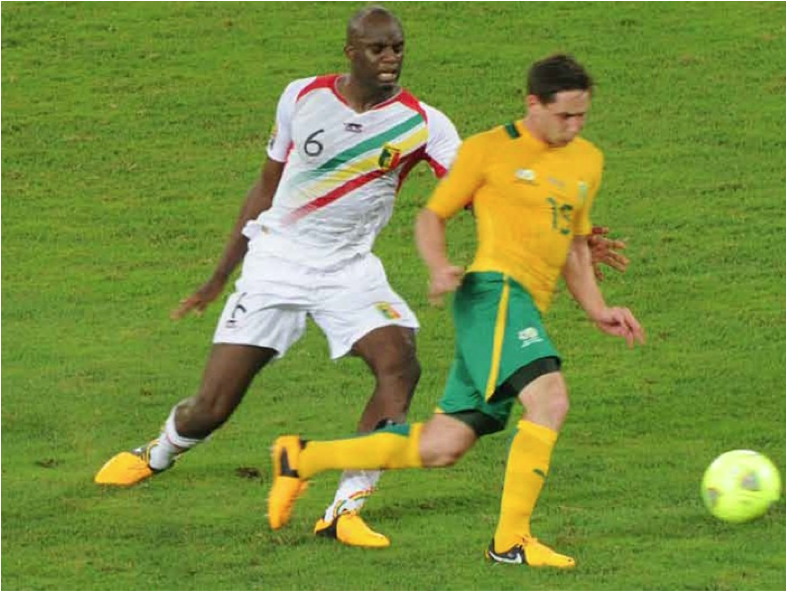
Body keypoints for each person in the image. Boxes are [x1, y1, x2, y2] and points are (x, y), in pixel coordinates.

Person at [95, 6, 627, 549]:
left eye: (397, 47)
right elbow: (265, 186)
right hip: (277, 262)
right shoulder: (301, 97)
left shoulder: (424, 123)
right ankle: (159, 453)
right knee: (213, 404)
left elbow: (481, 187)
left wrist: (564, 232)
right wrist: (217, 276)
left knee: (400, 363)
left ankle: (347, 507)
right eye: (378, 49)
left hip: (349, 268)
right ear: (351, 51)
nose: (391, 57)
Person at [265, 53, 645, 569]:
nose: (574, 127)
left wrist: (598, 309)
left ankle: (303, 457)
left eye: (582, 116)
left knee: (444, 445)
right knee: (550, 402)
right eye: (564, 116)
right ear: (533, 103)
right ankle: (511, 542)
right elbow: (432, 216)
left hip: (523, 306)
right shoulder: (488, 150)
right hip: (491, 294)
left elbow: (575, 246)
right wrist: (440, 265)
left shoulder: (587, 160)